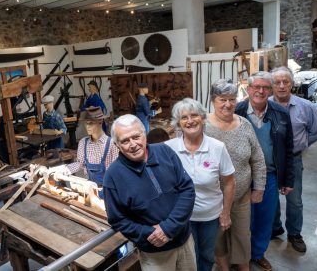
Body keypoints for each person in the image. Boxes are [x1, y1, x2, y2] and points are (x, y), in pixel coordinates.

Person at [104, 114, 196, 271]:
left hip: (184, 241)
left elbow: (187, 189)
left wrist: (168, 228)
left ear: (144, 134)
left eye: (136, 136)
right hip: (154, 251)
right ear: (116, 145)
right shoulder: (113, 176)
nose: (133, 144)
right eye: (125, 141)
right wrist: (150, 233)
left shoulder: (165, 152)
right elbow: (118, 219)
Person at [165, 98, 235, 271]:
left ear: (203, 118)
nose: (190, 121)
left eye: (194, 115)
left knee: (206, 255)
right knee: (188, 258)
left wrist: (225, 213)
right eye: (184, 118)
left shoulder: (217, 147)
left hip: (210, 216)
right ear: (178, 124)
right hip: (182, 218)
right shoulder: (168, 149)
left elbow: (229, 182)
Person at [235, 71, 294, 271]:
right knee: (243, 220)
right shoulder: (237, 111)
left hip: (269, 176)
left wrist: (288, 179)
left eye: (266, 87)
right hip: (242, 175)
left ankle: (258, 254)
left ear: (270, 90)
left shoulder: (280, 112)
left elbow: (288, 148)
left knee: (264, 218)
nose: (261, 91)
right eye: (256, 87)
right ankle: (241, 257)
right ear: (248, 89)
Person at [205, 79, 267, 271]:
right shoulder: (202, 126)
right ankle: (224, 268)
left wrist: (259, 187)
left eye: (232, 99)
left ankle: (243, 268)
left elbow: (257, 158)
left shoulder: (245, 125)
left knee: (242, 236)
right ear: (213, 100)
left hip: (241, 196)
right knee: (217, 239)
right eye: (222, 99)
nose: (228, 104)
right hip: (212, 199)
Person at [269, 67, 317, 253]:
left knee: (294, 200)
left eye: (286, 82)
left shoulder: (305, 106)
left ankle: (294, 233)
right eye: (277, 82)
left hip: (293, 160)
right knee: (270, 197)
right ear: (272, 85)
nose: (282, 86)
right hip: (270, 160)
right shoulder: (264, 105)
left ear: (292, 83)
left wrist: (301, 145)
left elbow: (316, 131)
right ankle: (274, 228)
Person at [64, 106, 118, 197]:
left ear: (100, 122)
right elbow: (80, 164)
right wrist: (64, 169)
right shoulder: (83, 143)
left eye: (91, 123)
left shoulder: (112, 144)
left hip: (109, 191)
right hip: (90, 190)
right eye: (86, 123)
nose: (87, 127)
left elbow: (116, 172)